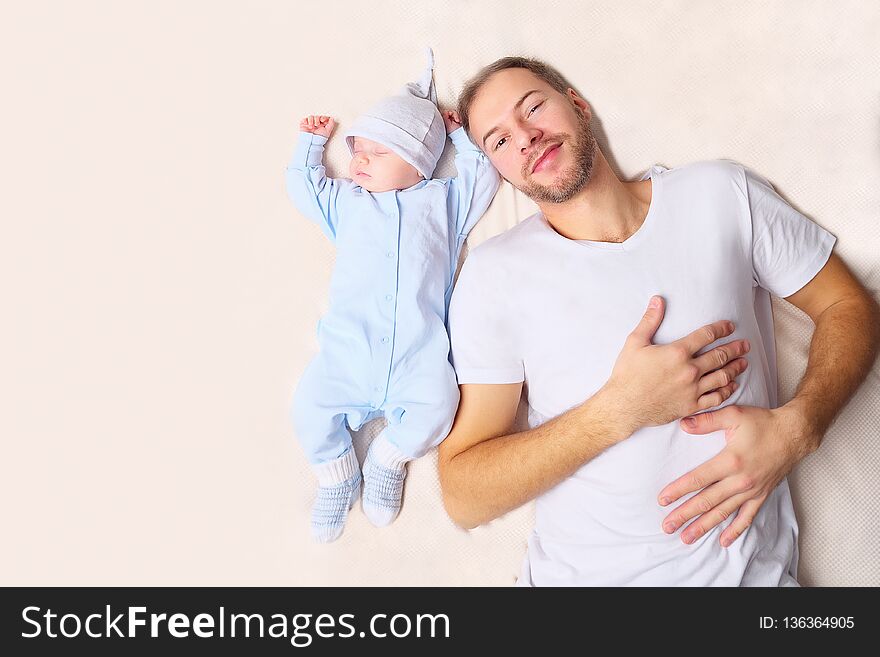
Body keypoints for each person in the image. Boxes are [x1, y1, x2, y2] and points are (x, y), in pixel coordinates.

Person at [439, 56, 880, 585]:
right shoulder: (494, 275)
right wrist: (620, 411)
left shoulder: (720, 194)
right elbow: (464, 495)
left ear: (577, 105)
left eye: (533, 107)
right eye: (500, 141)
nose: (527, 138)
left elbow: (848, 306)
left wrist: (799, 427)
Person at [284, 49, 500, 543]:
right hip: (347, 352)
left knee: (440, 406)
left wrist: (461, 136)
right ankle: (336, 475)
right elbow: (304, 188)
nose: (358, 160)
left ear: (420, 163)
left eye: (376, 152)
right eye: (357, 150)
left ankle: (388, 458)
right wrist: (310, 146)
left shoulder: (442, 201)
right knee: (308, 409)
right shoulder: (348, 203)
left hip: (418, 356)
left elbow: (482, 176)